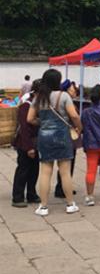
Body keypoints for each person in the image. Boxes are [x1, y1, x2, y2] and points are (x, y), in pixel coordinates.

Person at [27, 69, 82, 216]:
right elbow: (74, 115)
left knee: (45, 172)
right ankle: (70, 204)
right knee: (65, 172)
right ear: (58, 81)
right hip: (62, 135)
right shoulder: (63, 96)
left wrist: (43, 123)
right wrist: (79, 127)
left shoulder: (38, 98)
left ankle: (43, 206)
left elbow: (29, 119)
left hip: (44, 136)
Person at [12, 79, 41, 207]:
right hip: (25, 142)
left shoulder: (38, 104)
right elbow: (24, 128)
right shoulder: (26, 105)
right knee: (23, 170)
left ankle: (31, 194)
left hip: (36, 141)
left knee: (34, 170)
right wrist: (29, 147)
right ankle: (17, 197)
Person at [54, 79, 80, 198]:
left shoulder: (59, 101)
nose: (75, 92)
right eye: (72, 90)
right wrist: (80, 127)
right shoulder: (68, 103)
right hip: (68, 135)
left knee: (64, 163)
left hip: (60, 134)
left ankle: (62, 187)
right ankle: (63, 188)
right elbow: (74, 116)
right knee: (68, 163)